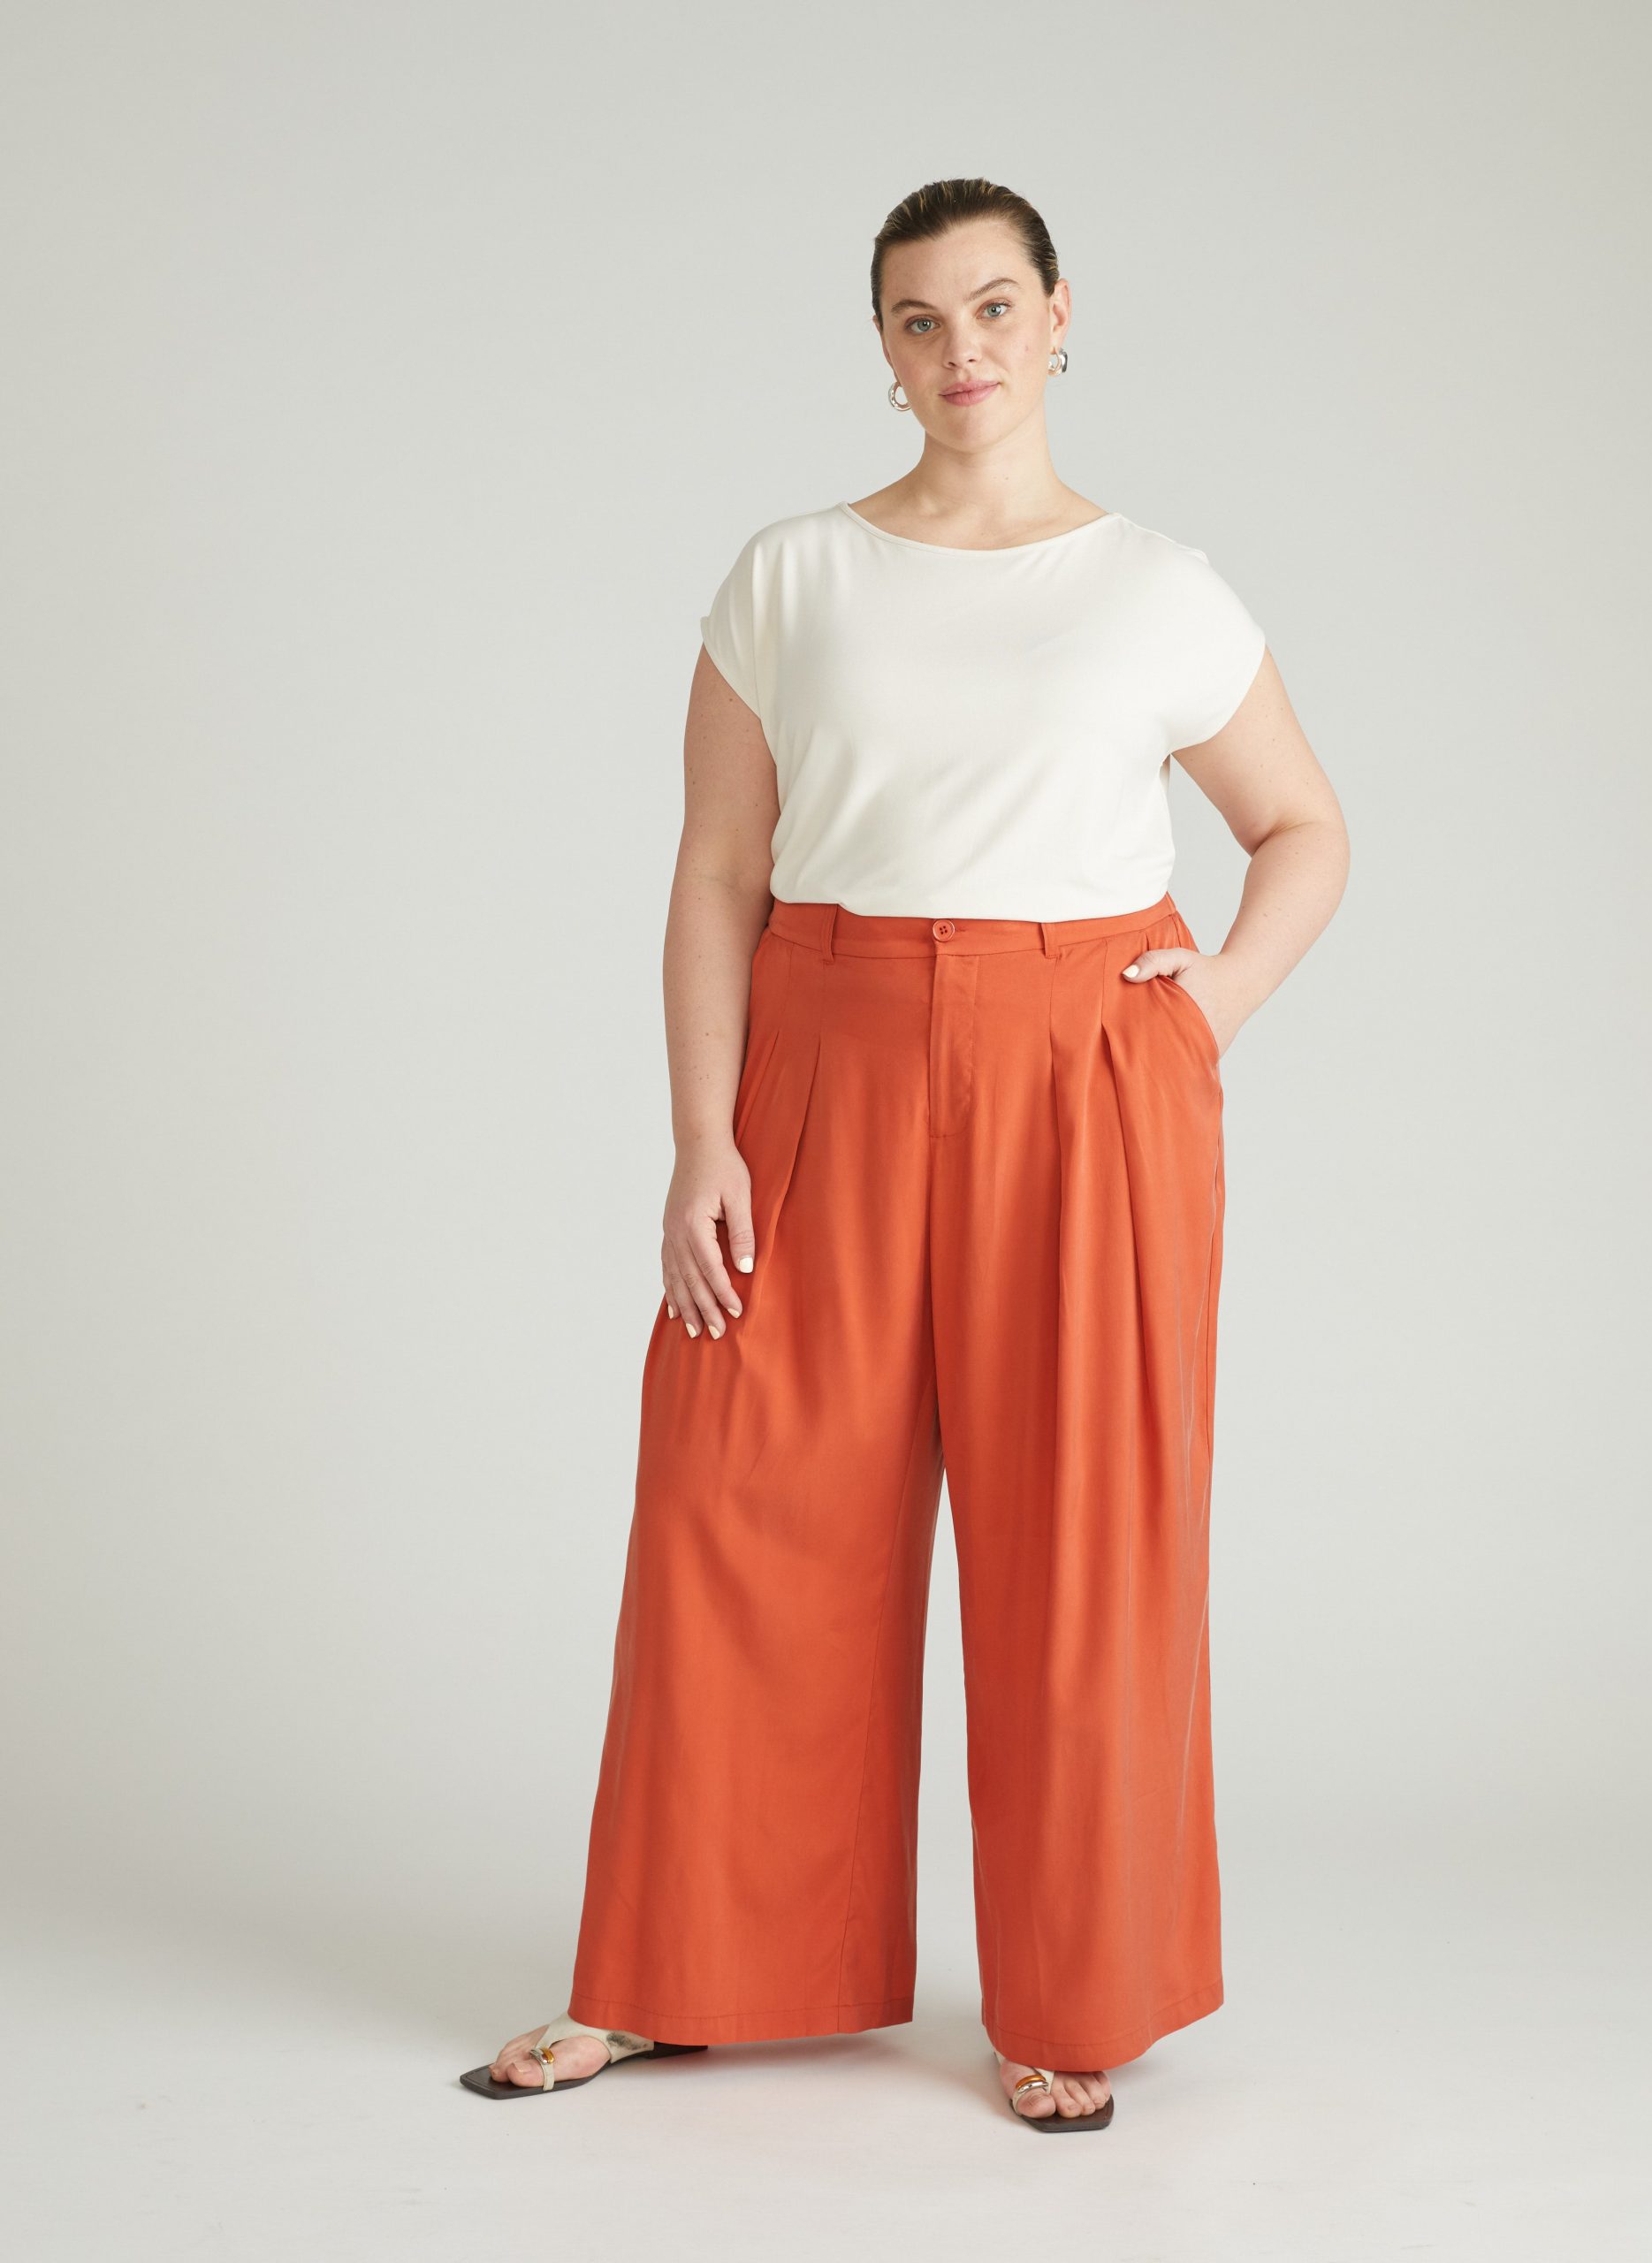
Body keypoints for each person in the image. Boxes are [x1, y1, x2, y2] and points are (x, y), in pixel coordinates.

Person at [461, 175, 1348, 2130]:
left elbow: (1304, 829)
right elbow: (717, 869)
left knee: (1082, 1536)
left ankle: (1069, 1998)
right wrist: (700, 1134)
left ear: (1060, 319)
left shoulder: (1159, 585)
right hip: (825, 1051)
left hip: (1082, 1072)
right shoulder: (793, 574)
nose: (963, 351)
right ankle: (669, 1973)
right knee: (736, 1499)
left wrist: (1196, 1013)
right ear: (880, 349)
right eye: (919, 319)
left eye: (995, 307)